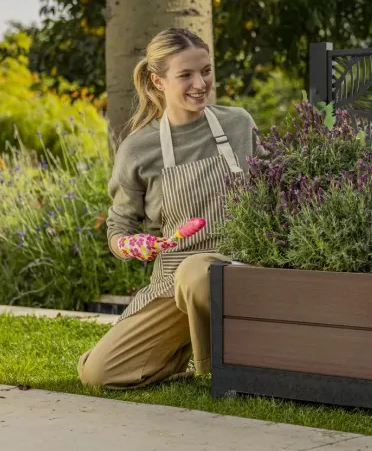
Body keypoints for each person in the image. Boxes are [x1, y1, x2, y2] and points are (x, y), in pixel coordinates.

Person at [78, 27, 261, 389]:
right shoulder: (138, 149)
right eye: (186, 75)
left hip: (243, 265)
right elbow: (119, 228)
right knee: (97, 374)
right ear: (158, 81)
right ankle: (182, 352)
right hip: (173, 283)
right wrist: (132, 244)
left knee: (199, 274)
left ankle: (223, 367)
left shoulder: (238, 124)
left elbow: (278, 188)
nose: (200, 84)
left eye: (206, 71)